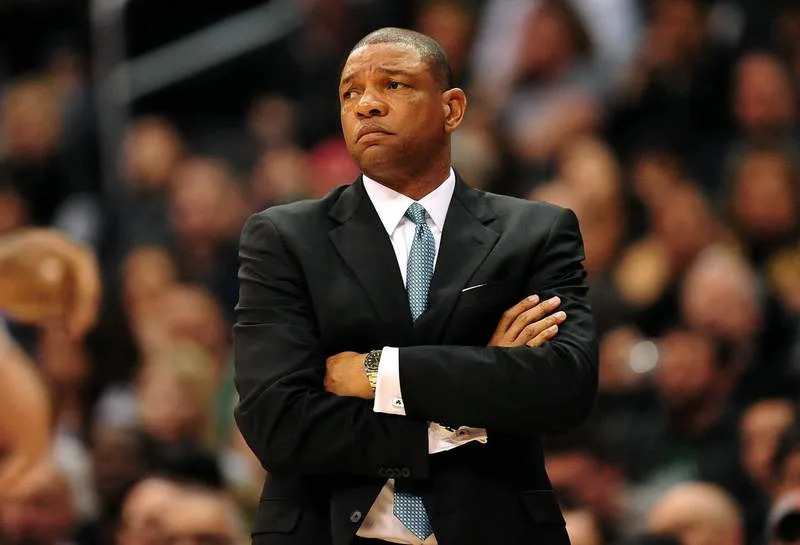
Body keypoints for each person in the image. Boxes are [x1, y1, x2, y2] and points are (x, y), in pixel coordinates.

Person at [234, 27, 597, 545]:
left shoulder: (535, 232)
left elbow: (563, 386)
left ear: (452, 109)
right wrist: (463, 413)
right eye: (350, 92)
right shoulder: (284, 238)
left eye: (394, 85)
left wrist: (380, 371)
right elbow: (278, 421)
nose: (367, 105)